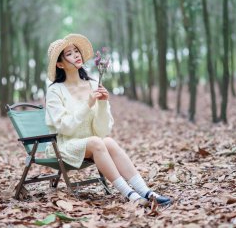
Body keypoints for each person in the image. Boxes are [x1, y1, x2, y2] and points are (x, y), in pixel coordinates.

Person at [44, 33, 172, 206]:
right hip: (64, 145)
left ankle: (146, 192)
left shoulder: (92, 83)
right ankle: (130, 195)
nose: (76, 55)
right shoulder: (55, 91)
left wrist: (103, 104)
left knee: (108, 141)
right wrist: (87, 105)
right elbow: (64, 128)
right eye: (69, 54)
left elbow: (102, 131)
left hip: (91, 142)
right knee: (97, 142)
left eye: (76, 51)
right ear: (60, 64)